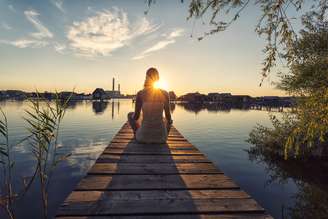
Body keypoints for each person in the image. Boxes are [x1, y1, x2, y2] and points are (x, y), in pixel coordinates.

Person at [128, 67, 173, 143]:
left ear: (146, 78)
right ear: (158, 78)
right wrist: (168, 121)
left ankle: (136, 133)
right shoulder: (165, 94)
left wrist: (138, 119)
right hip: (161, 138)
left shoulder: (140, 94)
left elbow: (136, 117)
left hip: (143, 137)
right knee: (168, 120)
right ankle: (162, 133)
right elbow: (168, 118)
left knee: (130, 115)